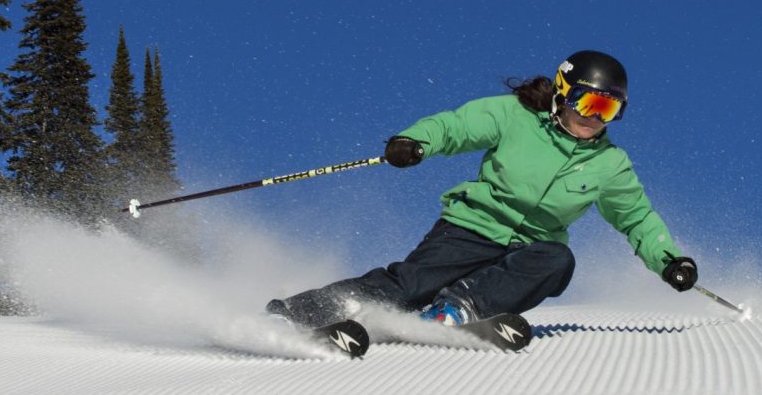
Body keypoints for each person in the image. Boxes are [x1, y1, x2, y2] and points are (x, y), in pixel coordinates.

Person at [267, 50, 698, 328]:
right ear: (564, 95)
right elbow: (456, 126)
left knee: (558, 260)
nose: (595, 117)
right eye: (588, 102)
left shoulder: (610, 164)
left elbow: (637, 217)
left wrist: (669, 261)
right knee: (408, 285)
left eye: (609, 108)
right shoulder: (515, 117)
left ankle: (458, 309)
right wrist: (414, 141)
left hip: (529, 249)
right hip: (469, 229)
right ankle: (301, 313)